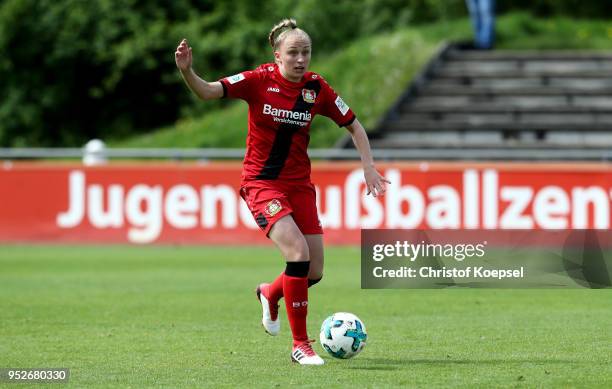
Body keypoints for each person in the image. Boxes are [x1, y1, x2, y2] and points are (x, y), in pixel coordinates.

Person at [175, 18, 389, 365]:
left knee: (314, 270)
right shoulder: (258, 80)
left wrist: (367, 166)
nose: (301, 59)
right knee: (297, 252)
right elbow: (208, 91)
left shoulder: (316, 89)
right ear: (278, 55)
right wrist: (188, 71)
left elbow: (354, 125)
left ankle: (269, 293)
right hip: (262, 182)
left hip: (299, 186)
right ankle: (300, 345)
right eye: (294, 53)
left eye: (306, 52)